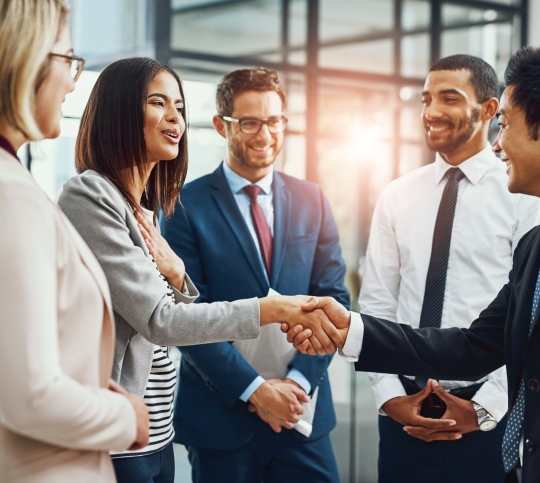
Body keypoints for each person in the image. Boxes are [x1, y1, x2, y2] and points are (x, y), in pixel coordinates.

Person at [289, 43, 540, 483]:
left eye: (507, 125)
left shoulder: (528, 208)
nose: (499, 143)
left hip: (495, 425)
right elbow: (475, 344)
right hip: (411, 414)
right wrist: (354, 333)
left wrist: (483, 409)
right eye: (426, 99)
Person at [57, 58, 339, 483]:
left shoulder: (146, 209)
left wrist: (178, 276)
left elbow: (164, 310)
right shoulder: (94, 194)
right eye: (158, 103)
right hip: (125, 429)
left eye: (179, 107)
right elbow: (162, 321)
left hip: (156, 431)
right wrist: (271, 311)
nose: (174, 117)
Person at [161, 67, 350, 483]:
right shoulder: (182, 206)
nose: (265, 134)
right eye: (249, 122)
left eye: (275, 121)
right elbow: (189, 315)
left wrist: (299, 382)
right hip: (221, 418)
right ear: (220, 125)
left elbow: (334, 297)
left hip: (304, 414)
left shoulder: (311, 199)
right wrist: (257, 391)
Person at [359, 55, 540, 482]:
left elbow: (525, 318)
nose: (431, 111)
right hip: (402, 412)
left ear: (488, 110)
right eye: (426, 99)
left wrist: (482, 409)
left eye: (449, 98)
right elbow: (377, 302)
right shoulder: (397, 195)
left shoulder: (523, 198)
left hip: (486, 418)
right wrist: (389, 398)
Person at [0, 0, 149, 481]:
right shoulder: (12, 195)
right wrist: (126, 416)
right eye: (69, 59)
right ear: (27, 60)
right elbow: (31, 397)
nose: (71, 82)